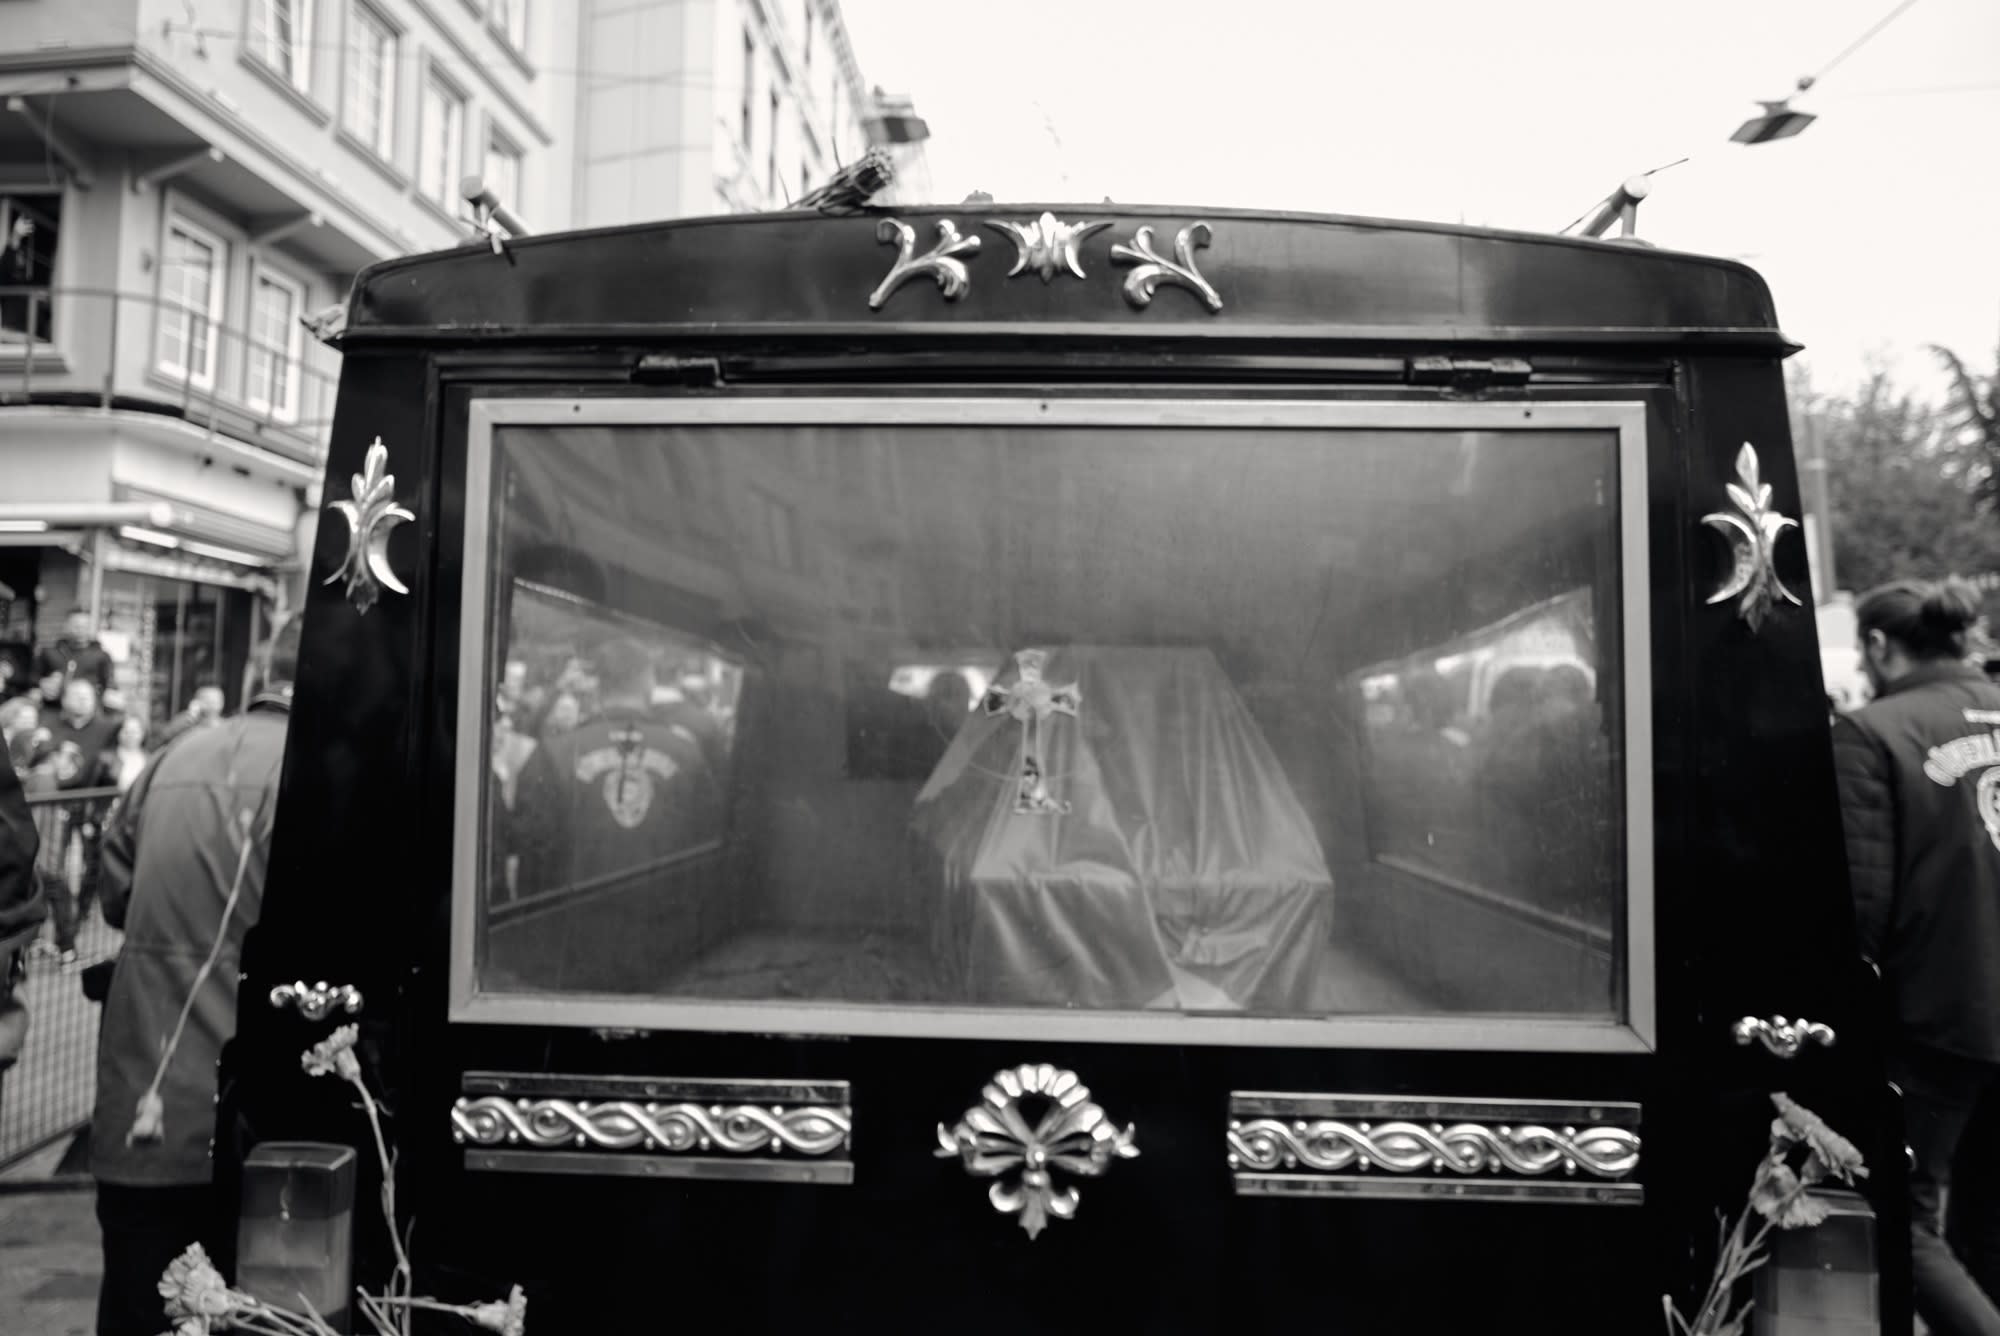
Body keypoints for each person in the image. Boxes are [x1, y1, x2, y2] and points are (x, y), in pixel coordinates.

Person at [89, 617, 298, 1336]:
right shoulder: (316, 772)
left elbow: (115, 890)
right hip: (246, 1124)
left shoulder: (173, 756)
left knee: (138, 1306)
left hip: (139, 1109)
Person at [1831, 576, 2000, 1335]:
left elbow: (1859, 912)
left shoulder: (1874, 732)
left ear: (1876, 644)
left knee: (1906, 1217)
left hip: (1943, 1020)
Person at [513, 638, 722, 899]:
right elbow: (708, 854)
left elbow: (532, 865)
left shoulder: (554, 754)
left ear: (598, 686)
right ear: (649, 682)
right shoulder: (687, 754)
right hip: (664, 925)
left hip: (574, 928)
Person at [33, 607, 113, 697]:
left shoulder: (101, 656)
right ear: (66, 626)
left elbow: (110, 686)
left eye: (85, 626)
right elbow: (33, 680)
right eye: (76, 626)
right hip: (52, 706)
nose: (80, 630)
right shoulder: (49, 653)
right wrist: (42, 684)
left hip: (87, 707)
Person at [153, 682, 226, 749]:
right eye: (209, 700)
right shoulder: (186, 720)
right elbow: (163, 737)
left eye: (217, 701)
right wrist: (192, 714)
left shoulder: (224, 726)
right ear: (197, 701)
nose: (213, 705)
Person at [93, 715, 150, 794]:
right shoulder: (105, 759)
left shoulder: (149, 759)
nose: (130, 736)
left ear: (143, 734)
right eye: (126, 731)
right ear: (118, 733)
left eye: (134, 732)